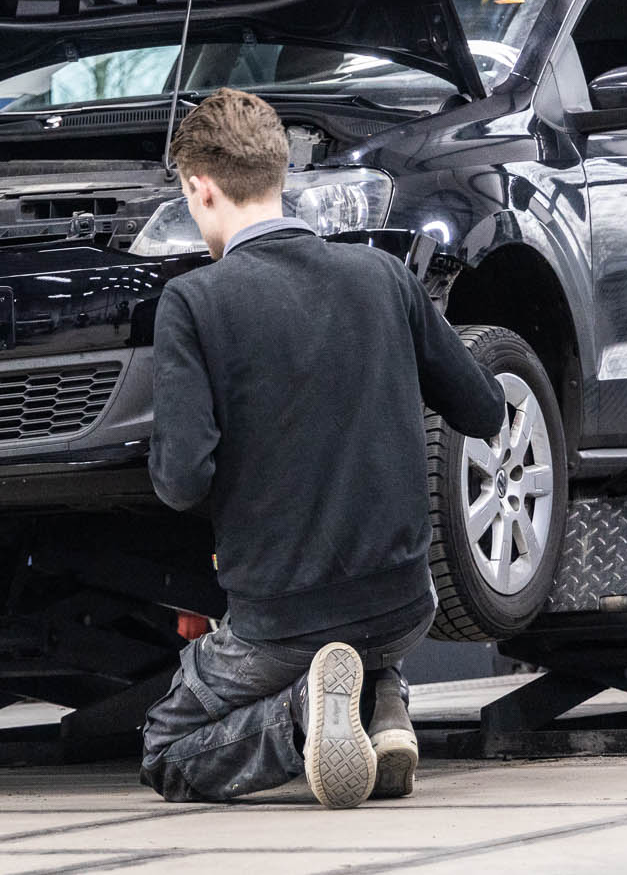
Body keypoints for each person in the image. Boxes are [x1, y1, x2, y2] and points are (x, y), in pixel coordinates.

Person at [139, 88, 505, 808]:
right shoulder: (383, 276)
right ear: (281, 172)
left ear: (198, 187)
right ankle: (379, 705)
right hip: (405, 602)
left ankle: (307, 713)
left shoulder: (194, 302)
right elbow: (485, 408)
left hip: (281, 620)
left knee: (165, 748)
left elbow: (182, 480)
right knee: (362, 630)